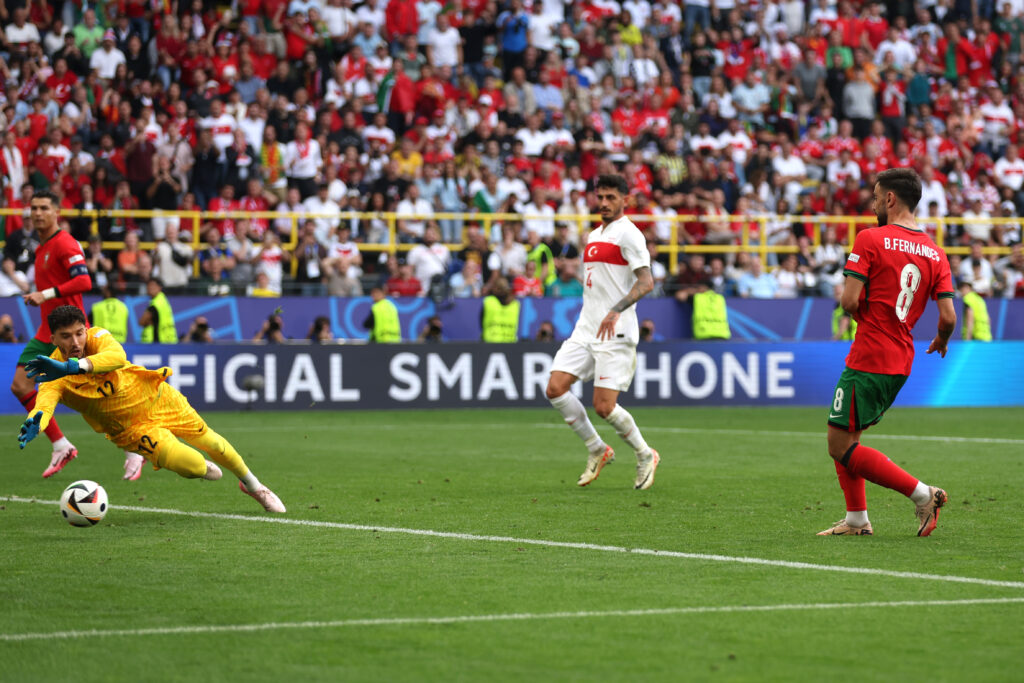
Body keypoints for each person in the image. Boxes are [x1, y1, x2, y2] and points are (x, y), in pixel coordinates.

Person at [19, 306, 285, 513]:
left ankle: (254, 486)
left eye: (79, 333)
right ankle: (198, 465)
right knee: (193, 467)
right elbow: (44, 406)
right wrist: (37, 422)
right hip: (132, 430)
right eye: (65, 337)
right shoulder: (52, 375)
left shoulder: (98, 337)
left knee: (214, 443)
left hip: (156, 398)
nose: (75, 342)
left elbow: (116, 357)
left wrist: (72, 366)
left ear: (86, 330)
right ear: (53, 338)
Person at [820, 168, 956, 538]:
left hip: (869, 355)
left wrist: (865, 314)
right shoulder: (935, 252)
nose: (874, 203)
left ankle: (924, 494)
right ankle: (856, 521)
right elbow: (948, 316)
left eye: (877, 197)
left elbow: (848, 300)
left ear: (891, 199)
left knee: (838, 443)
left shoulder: (870, 239)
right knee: (849, 436)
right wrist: (942, 340)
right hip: (901, 358)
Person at [544, 174, 660, 490]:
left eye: (611, 197)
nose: (604, 203)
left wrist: (616, 310)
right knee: (555, 388)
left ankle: (645, 453)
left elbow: (646, 282)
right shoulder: (595, 235)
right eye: (601, 197)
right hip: (587, 327)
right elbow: (603, 282)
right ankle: (597, 448)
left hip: (616, 329)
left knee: (604, 407)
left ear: (625, 199)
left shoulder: (630, 235)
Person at [9, 190, 121, 479]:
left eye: (44, 208)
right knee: (21, 386)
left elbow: (84, 279)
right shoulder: (41, 248)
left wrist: (44, 293)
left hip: (68, 333)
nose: (37, 213)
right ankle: (61, 444)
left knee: (94, 398)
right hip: (46, 331)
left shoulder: (65, 243)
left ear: (56, 211)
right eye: (33, 208)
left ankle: (135, 443)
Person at [480, 277, 520, 342]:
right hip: (510, 343)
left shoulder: (489, 301)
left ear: (495, 288)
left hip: (490, 342)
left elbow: (481, 322)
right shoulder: (515, 304)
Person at [139, 278, 178, 344]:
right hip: (169, 340)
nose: (150, 288)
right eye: (148, 285)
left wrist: (148, 322)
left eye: (153, 285)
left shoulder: (156, 304)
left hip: (158, 341)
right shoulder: (164, 301)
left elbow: (142, 322)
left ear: (160, 287)